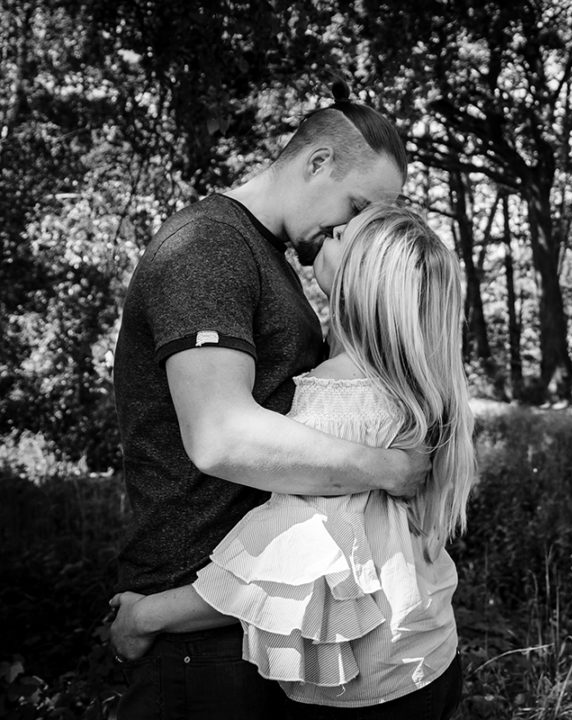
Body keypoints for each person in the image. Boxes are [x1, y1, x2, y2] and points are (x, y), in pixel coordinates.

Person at [110, 84, 430, 720]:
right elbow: (222, 437)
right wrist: (389, 467)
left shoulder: (269, 257)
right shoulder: (209, 246)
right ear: (316, 163)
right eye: (356, 206)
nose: (352, 228)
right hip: (195, 609)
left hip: (260, 604)